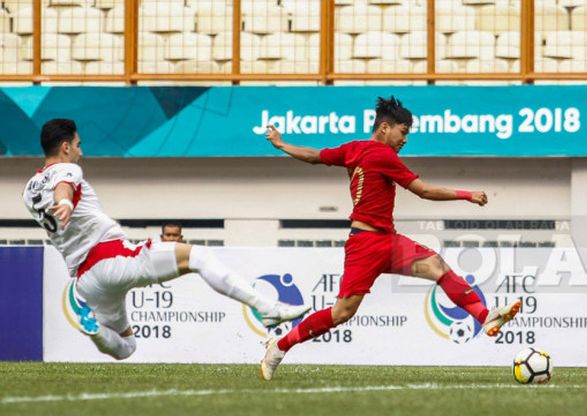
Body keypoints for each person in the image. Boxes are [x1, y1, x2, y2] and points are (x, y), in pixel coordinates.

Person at [259, 96, 522, 380]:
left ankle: (486, 316)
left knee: (438, 268)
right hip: (365, 245)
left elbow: (314, 157)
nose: (405, 139)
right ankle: (279, 346)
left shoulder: (353, 149)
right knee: (341, 313)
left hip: (387, 240)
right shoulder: (383, 156)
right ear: (385, 127)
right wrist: (466, 194)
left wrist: (282, 144)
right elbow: (423, 191)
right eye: (403, 131)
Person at [23, 118, 310, 360]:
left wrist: (65, 202)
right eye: (78, 144)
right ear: (65, 147)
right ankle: (267, 309)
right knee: (198, 257)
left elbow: (57, 192)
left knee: (127, 348)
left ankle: (95, 330)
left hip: (86, 281)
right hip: (112, 258)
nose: (80, 151)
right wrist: (67, 202)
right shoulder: (67, 169)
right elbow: (64, 187)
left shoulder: (28, 190)